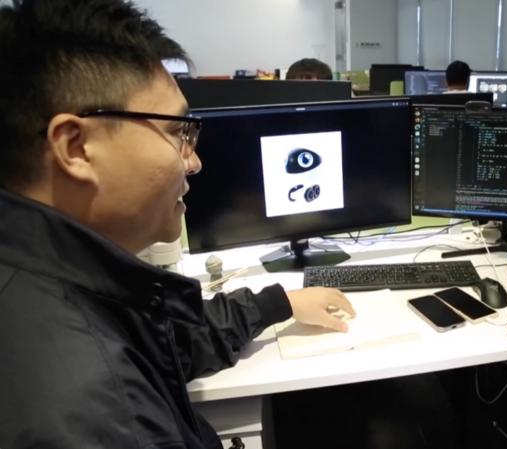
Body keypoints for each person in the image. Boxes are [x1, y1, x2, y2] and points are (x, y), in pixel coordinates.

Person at [0, 1, 353, 448]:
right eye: (178, 133)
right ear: (75, 147)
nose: (195, 161)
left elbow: (166, 342)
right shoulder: (94, 414)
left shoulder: (56, 285)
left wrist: (277, 303)